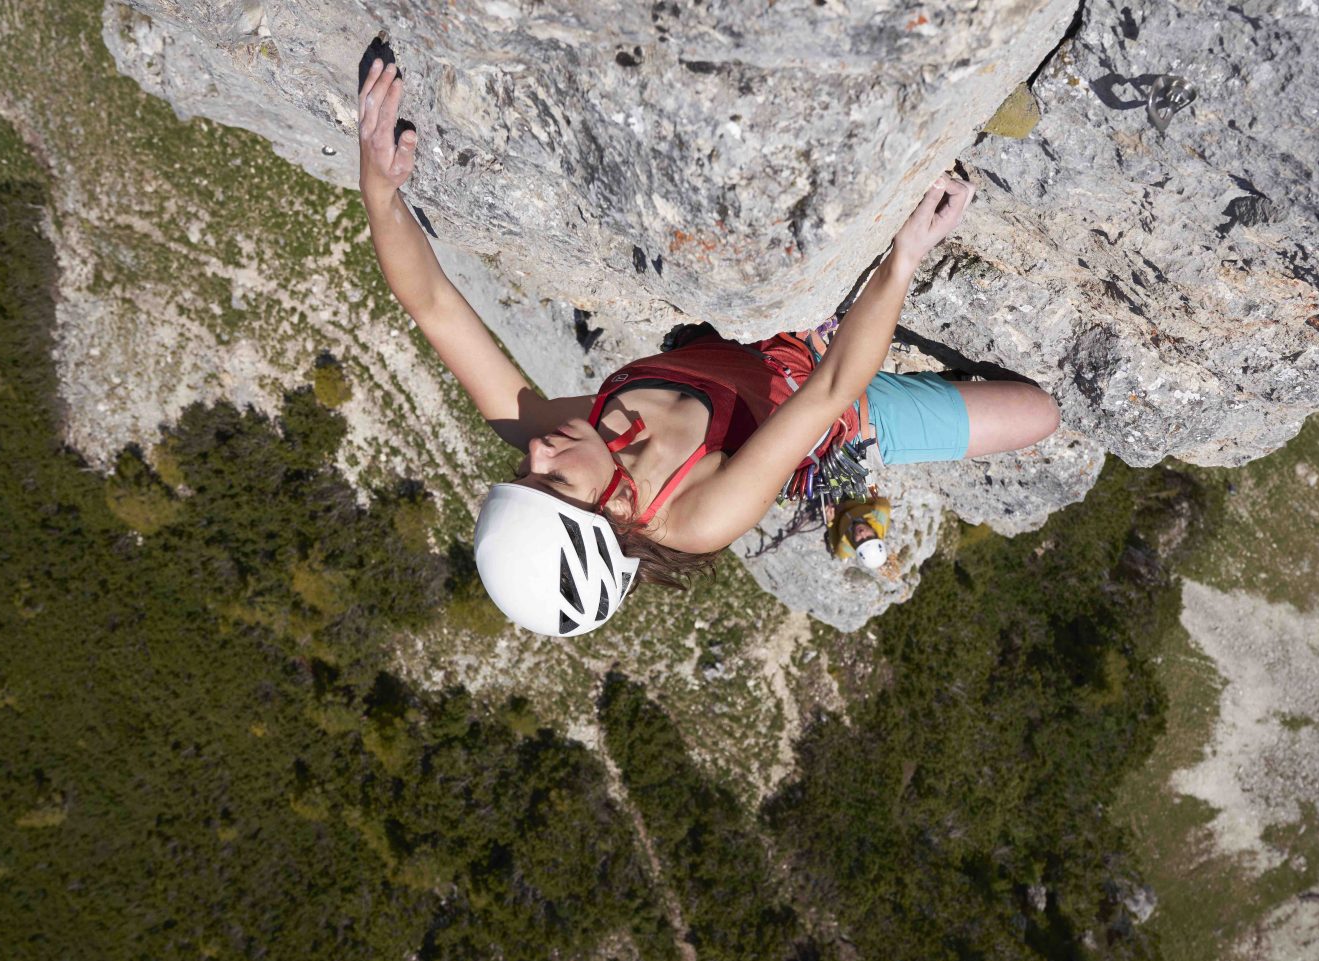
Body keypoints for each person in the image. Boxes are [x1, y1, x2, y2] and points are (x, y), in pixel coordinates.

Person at [358, 55, 1061, 637]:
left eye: (525, 472)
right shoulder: (698, 517)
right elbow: (834, 386)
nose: (535, 450)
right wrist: (902, 257)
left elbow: (433, 307)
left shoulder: (562, 442)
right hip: (827, 406)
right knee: (1038, 415)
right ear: (619, 514)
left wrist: (379, 188)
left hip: (743, 339)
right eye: (552, 480)